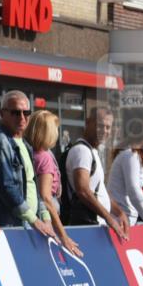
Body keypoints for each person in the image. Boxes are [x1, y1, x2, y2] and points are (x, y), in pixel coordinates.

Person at [0, 91, 55, 238]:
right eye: (15, 113)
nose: (22, 117)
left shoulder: (25, 144)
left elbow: (32, 184)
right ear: (2, 114)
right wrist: (35, 220)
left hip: (24, 225)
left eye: (26, 112)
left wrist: (44, 215)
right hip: (6, 228)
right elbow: (7, 187)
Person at [63, 107, 129, 240]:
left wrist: (119, 212)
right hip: (87, 226)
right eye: (100, 125)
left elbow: (99, 191)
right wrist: (109, 218)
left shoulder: (92, 151)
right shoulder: (82, 151)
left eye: (108, 127)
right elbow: (83, 190)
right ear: (88, 123)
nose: (104, 131)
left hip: (96, 225)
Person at [27, 110, 82, 256]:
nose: (57, 134)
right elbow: (46, 198)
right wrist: (63, 235)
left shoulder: (32, 152)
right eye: (55, 129)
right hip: (45, 218)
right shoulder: (44, 157)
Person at [107, 123, 143, 244]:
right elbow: (134, 191)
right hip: (119, 223)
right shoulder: (131, 155)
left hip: (127, 222)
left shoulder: (136, 155)